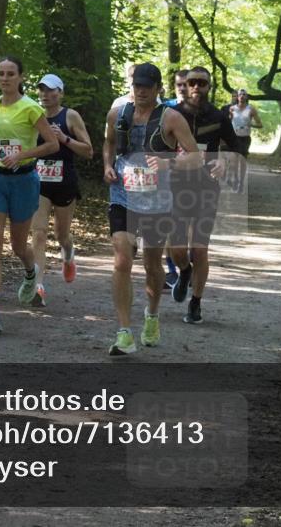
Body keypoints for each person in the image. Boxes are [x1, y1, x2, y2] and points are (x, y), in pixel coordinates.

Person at [102, 62, 200, 356]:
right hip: (122, 195)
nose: (141, 91)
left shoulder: (171, 118)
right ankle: (123, 332)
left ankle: (152, 315)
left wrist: (169, 163)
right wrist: (107, 165)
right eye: (137, 86)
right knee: (121, 258)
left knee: (152, 264)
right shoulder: (117, 114)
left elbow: (195, 157)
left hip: (158, 201)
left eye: (147, 86)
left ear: (158, 89)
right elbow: (107, 143)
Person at [0, 56, 59, 334]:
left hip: (24, 181)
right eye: (1, 74)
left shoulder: (31, 109)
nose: (5, 78)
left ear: (20, 77)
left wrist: (23, 154)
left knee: (18, 246)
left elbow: (52, 144)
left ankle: (31, 272)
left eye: (10, 74)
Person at [168, 66, 240, 324]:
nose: (197, 87)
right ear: (185, 86)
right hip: (176, 186)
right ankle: (184, 271)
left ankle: (195, 303)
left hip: (206, 187)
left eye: (202, 83)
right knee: (176, 247)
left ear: (209, 87)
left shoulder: (219, 117)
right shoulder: (171, 114)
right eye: (192, 82)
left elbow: (237, 146)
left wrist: (226, 162)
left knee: (200, 249)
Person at [31, 74, 93, 284]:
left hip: (65, 182)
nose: (45, 94)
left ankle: (68, 256)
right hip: (39, 182)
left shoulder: (70, 116)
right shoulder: (33, 114)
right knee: (39, 233)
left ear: (60, 93)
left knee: (61, 235)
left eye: (50, 90)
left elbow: (88, 151)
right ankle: (37, 286)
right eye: (42, 89)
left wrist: (64, 139)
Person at [162, 69, 190, 286]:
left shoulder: (203, 113)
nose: (182, 88)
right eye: (179, 84)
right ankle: (172, 270)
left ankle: (186, 266)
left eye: (186, 84)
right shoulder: (166, 109)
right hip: (169, 175)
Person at [229, 89, 262, 192]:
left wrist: (250, 124)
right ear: (237, 97)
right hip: (234, 138)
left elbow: (260, 125)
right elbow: (228, 122)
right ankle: (235, 180)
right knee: (234, 162)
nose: (242, 96)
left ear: (247, 97)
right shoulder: (232, 109)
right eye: (240, 94)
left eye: (244, 94)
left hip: (245, 138)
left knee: (242, 161)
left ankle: (241, 183)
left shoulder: (251, 109)